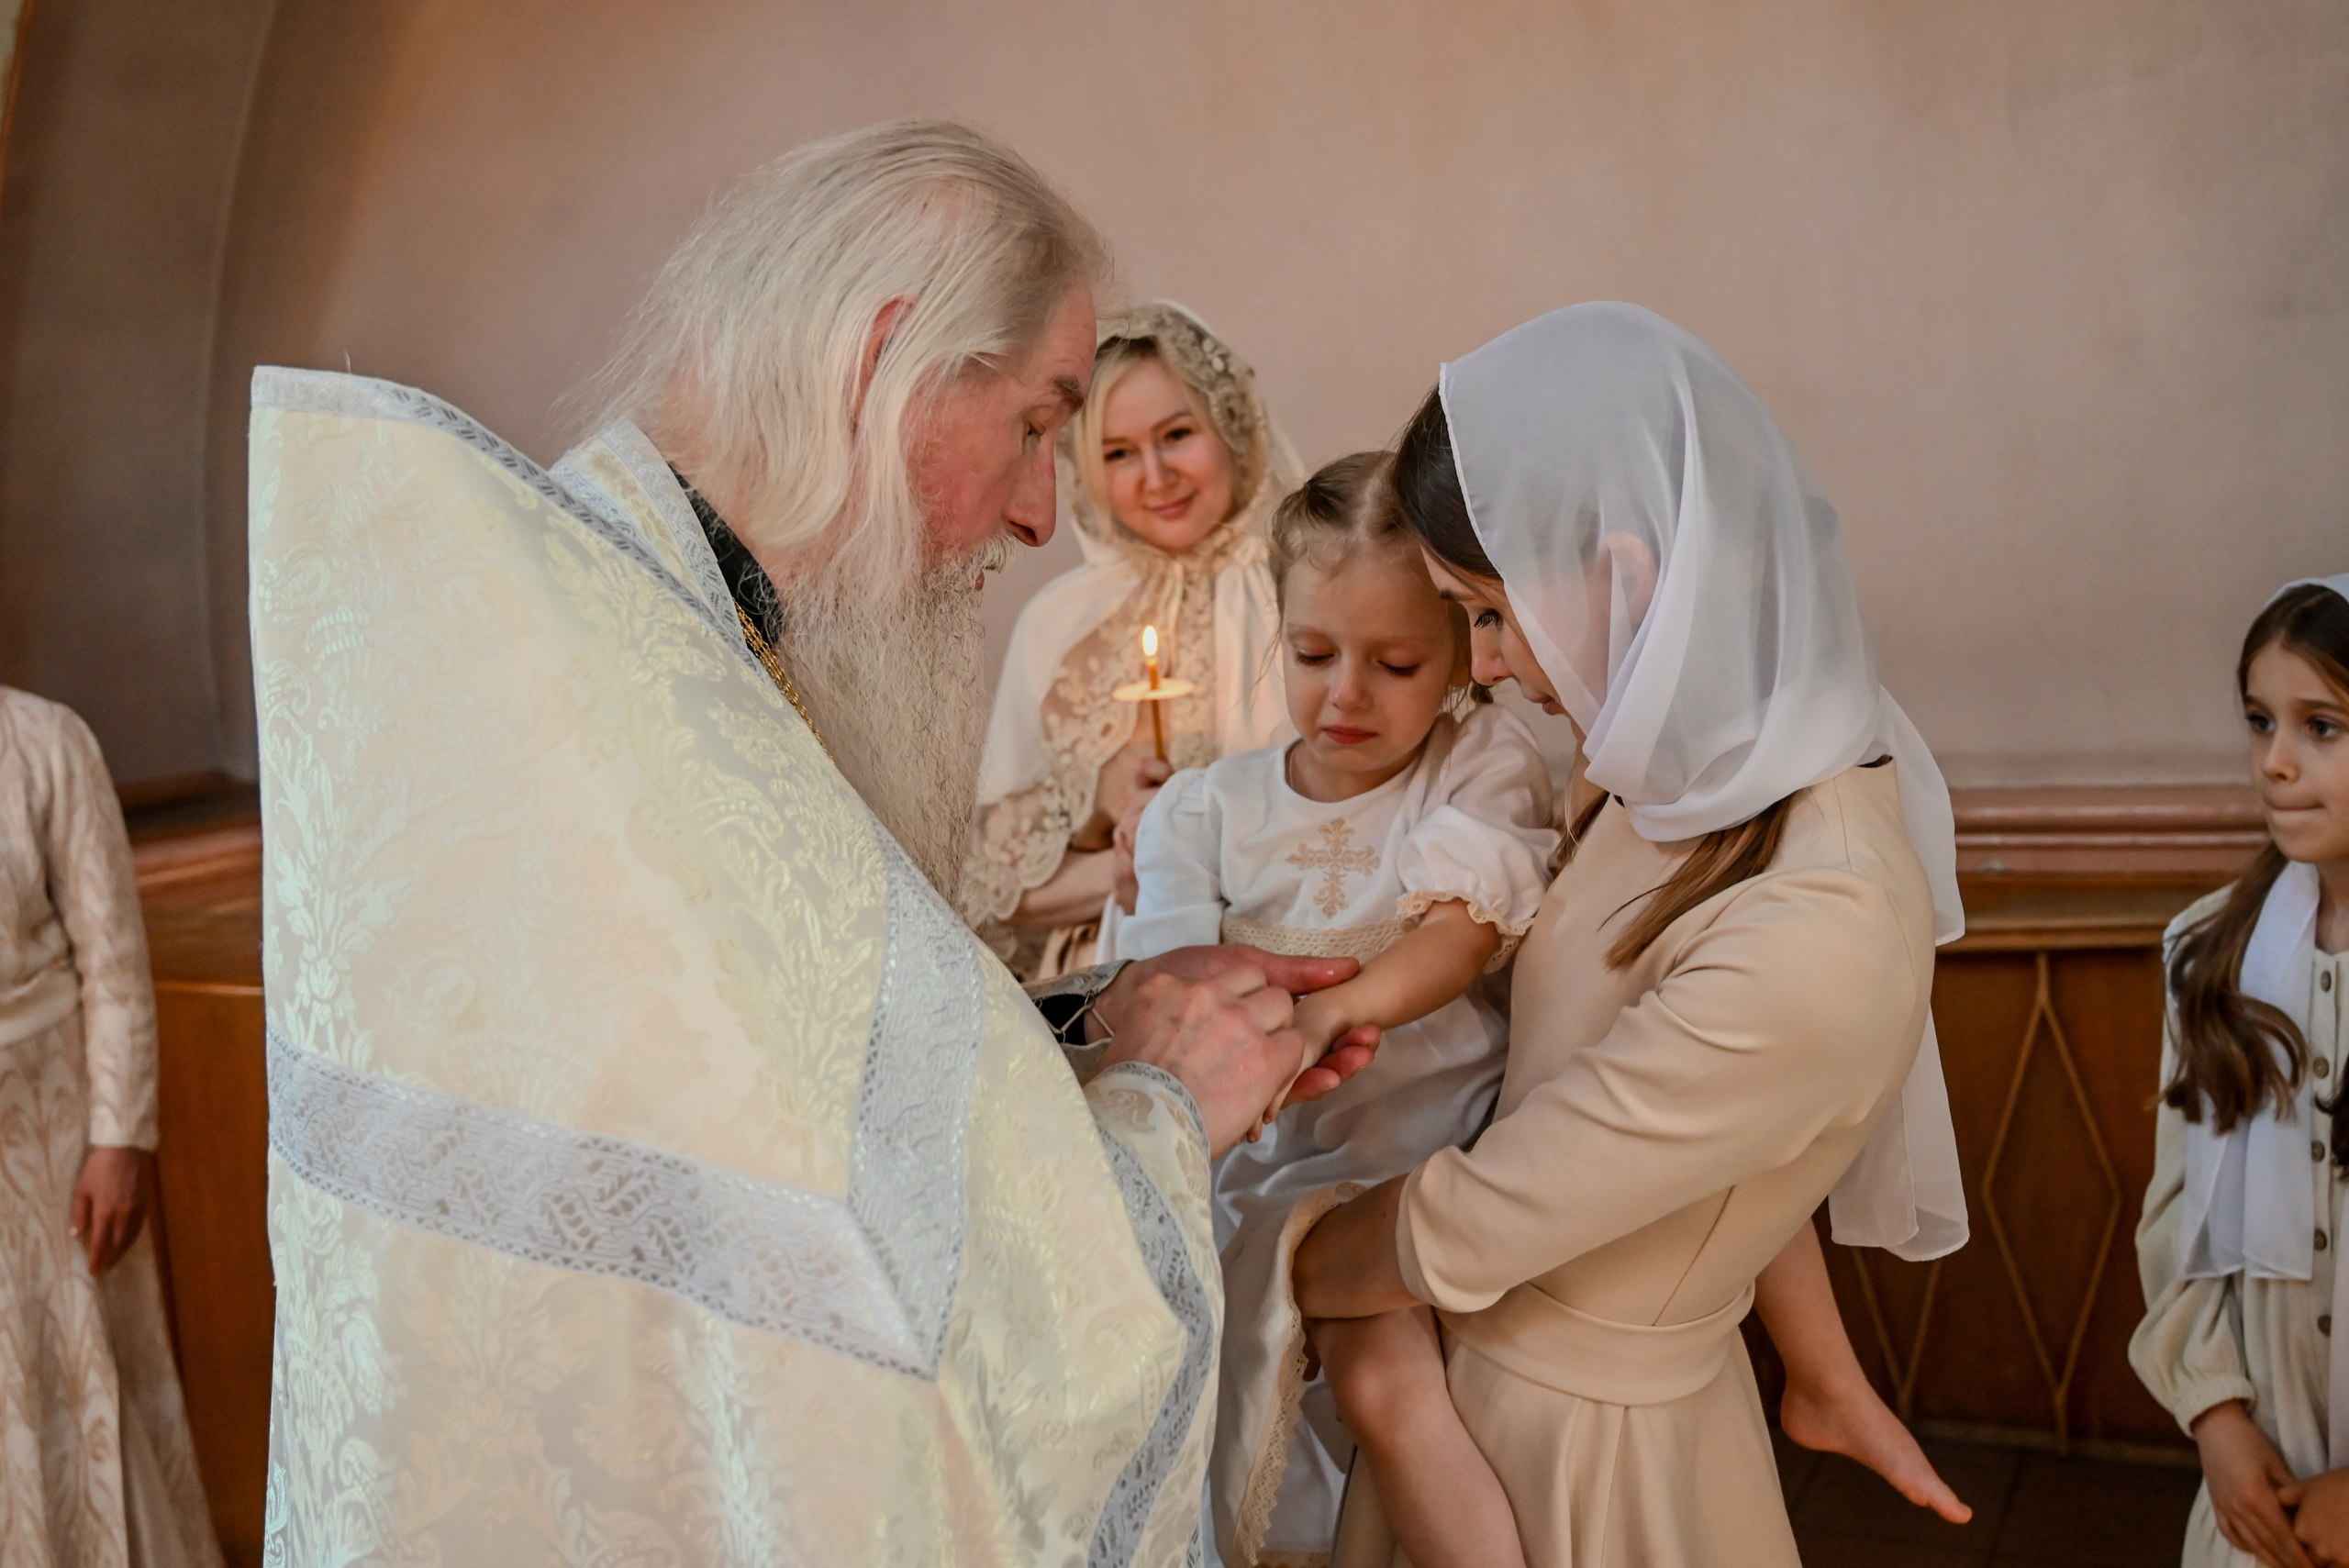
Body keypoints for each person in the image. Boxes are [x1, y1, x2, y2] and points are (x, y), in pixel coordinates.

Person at [248, 120, 1377, 1566]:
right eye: (1040, 421)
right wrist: (1161, 1104)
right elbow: (879, 1335)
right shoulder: (633, 701)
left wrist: (1097, 1024)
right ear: (885, 362)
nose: (1047, 510)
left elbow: (767, 1108)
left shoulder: (648, 641)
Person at [1292, 302, 1973, 1567]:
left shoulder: (1823, 922)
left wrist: (1265, 1249)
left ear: (1621, 575)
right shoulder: (1674, 771)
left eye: (1485, 614)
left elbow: (1486, 1216)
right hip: (1475, 1367)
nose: (1484, 665)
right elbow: (1674, 1130)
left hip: (1583, 1451)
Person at [1116, 451, 1558, 1564]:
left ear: (1463, 652)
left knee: (1382, 1375)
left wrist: (1328, 1011)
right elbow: (1169, 990)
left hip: (1425, 1171)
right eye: (1313, 654)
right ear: (1278, 626)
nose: (1346, 694)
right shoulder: (1206, 811)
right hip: (1257, 1179)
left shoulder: (1478, 768)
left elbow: (1459, 936)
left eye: (1396, 662)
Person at [963, 303, 1300, 979]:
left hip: (1278, 957)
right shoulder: (1059, 621)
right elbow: (984, 883)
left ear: (1232, 426)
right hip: (1099, 976)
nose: (1155, 476)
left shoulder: (1300, 592)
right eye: (1118, 453)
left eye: (1176, 435)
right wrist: (1110, 837)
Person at [2132, 573, 2349, 1568]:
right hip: (2257, 1480)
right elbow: (2179, 1213)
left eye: (2322, 727)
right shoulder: (2209, 951)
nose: (2274, 760)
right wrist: (2214, 1416)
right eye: (2259, 720)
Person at [0, 685, 222, 1568]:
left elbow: (116, 958)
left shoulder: (45, 739)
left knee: (77, 1380)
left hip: (50, 1149)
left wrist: (119, 1141)